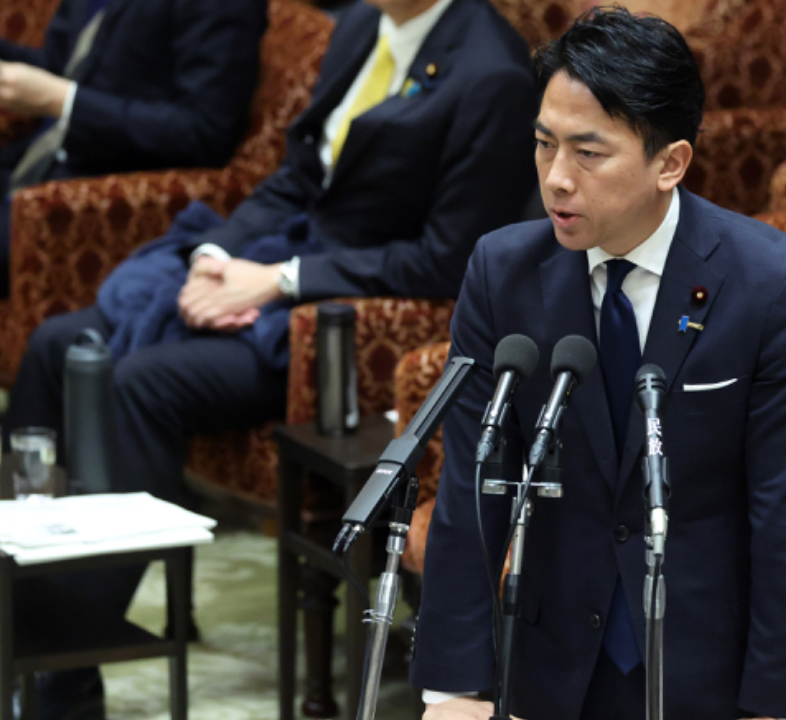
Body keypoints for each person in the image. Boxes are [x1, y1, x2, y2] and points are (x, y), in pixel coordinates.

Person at [3, 0, 536, 717]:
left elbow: (447, 257)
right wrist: (218, 256)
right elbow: (296, 178)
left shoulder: (491, 72)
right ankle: (22, 627)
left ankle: (65, 673)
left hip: (334, 320)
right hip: (271, 262)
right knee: (56, 345)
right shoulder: (360, 26)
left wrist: (282, 282)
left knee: (135, 384)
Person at [411, 8, 786, 720]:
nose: (556, 178)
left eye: (589, 153)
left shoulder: (777, 289)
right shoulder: (503, 271)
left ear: (670, 162)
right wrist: (457, 687)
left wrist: (779, 705)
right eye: (544, 144)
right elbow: (473, 485)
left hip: (714, 673)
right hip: (549, 672)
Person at [0, 0, 269, 297]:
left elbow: (203, 132)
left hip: (95, 194)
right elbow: (61, 65)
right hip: (34, 160)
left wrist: (64, 101)